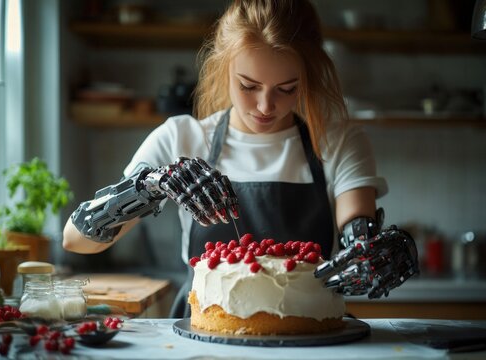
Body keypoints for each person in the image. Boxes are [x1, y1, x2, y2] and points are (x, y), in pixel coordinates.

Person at [63, 0, 388, 317]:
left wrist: (375, 249)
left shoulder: (338, 141)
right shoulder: (182, 138)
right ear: (224, 67)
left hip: (310, 333)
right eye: (249, 86)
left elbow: (358, 235)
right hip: (204, 331)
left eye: (287, 89)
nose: (265, 106)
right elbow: (75, 240)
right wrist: (150, 185)